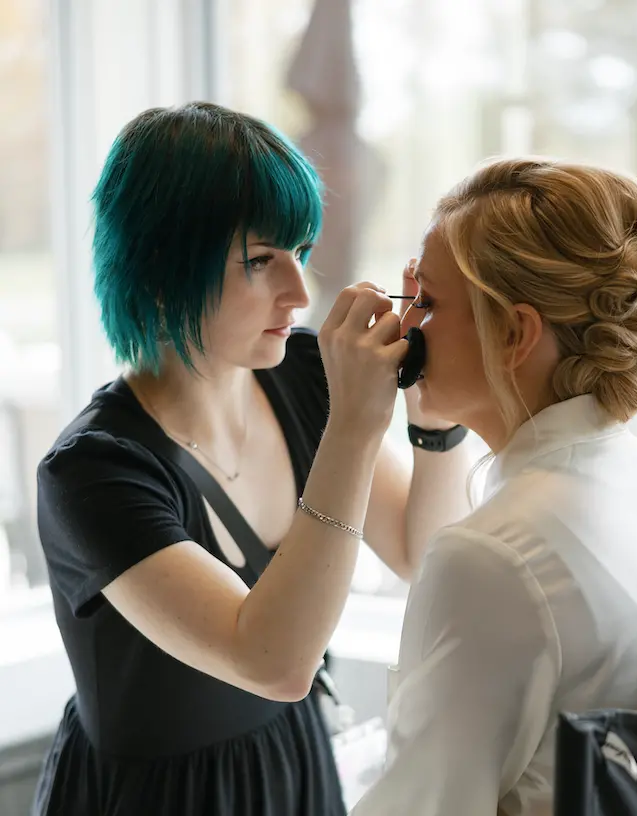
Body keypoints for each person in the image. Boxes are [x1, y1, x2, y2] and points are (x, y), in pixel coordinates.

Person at [33, 102, 472, 816]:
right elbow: (274, 661)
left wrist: (435, 424)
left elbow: (425, 554)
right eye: (260, 261)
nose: (299, 292)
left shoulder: (301, 373)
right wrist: (357, 428)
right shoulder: (92, 473)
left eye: (299, 252)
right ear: (162, 267)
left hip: (292, 766)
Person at [351, 158, 637, 816]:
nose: (405, 327)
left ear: (515, 333)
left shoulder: (494, 554)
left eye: (426, 302)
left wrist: (350, 420)